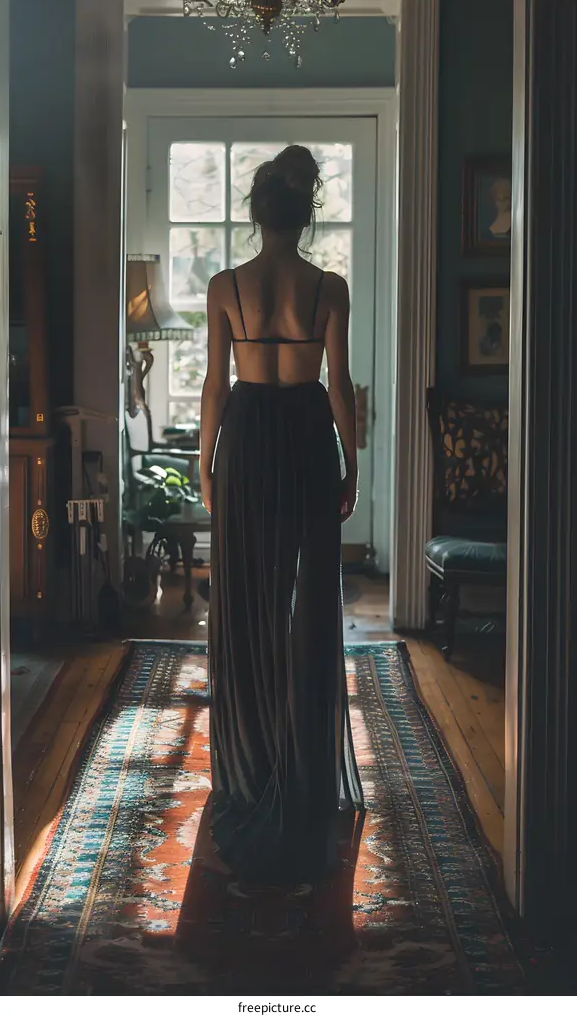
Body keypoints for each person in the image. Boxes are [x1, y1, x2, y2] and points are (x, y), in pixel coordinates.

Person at [199, 145, 364, 887]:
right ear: (304, 215)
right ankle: (300, 763)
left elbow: (212, 387)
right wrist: (352, 462)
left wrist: (206, 466)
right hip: (303, 435)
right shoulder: (329, 287)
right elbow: (340, 385)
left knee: (247, 600)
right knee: (307, 606)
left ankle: (249, 760)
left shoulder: (225, 285)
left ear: (257, 213)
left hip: (246, 439)